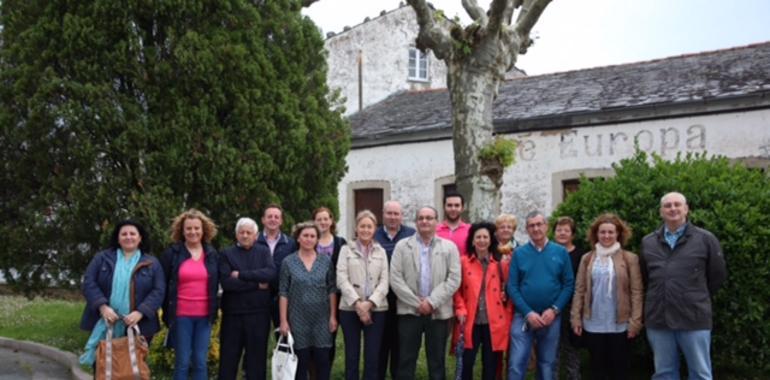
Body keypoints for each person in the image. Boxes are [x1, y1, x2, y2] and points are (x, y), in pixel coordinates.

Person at [641, 192, 726, 380]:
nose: (673, 209)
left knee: (700, 373)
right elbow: (646, 277)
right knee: (664, 373)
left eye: (677, 204)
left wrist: (692, 295)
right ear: (661, 212)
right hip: (658, 317)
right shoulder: (648, 242)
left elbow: (717, 276)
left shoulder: (705, 239)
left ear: (686, 209)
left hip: (693, 317)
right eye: (667, 205)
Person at [79, 220, 165, 366]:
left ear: (140, 238)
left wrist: (140, 312)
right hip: (105, 322)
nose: (128, 237)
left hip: (138, 325)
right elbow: (89, 282)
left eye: (132, 233)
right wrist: (103, 307)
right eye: (124, 234)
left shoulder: (152, 263)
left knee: (131, 369)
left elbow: (159, 290)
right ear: (118, 238)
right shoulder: (102, 258)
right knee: (102, 367)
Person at [390, 206, 461, 380]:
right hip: (409, 311)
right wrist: (417, 303)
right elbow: (395, 278)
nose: (425, 221)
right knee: (406, 359)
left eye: (429, 218)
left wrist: (431, 302)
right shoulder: (402, 246)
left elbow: (454, 279)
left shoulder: (449, 247)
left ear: (436, 222)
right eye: (421, 218)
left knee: (437, 361)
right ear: (416, 222)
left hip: (438, 312)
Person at [570, 213, 643, 379]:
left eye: (611, 232)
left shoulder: (630, 258)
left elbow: (637, 292)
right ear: (596, 234)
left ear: (618, 234)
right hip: (593, 322)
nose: (606, 236)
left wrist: (635, 322)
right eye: (602, 232)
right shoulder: (587, 259)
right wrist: (575, 318)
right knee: (597, 368)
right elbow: (579, 290)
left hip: (620, 324)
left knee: (620, 368)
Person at [506, 211, 574, 380]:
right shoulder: (519, 253)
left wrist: (555, 309)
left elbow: (568, 284)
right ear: (527, 229)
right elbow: (512, 286)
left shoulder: (560, 252)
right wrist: (528, 312)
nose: (536, 228)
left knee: (547, 364)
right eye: (531, 225)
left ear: (546, 226)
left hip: (551, 316)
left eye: (539, 224)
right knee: (516, 363)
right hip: (523, 316)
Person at [160, 209, 219, 380]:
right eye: (189, 228)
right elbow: (162, 284)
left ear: (203, 230)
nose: (193, 232)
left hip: (204, 317)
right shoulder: (173, 253)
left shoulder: (212, 254)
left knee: (200, 362)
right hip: (181, 316)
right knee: (183, 362)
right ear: (182, 230)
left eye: (196, 228)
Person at [452, 222, 513, 380]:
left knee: (491, 365)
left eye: (485, 237)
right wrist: (460, 308)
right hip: (470, 320)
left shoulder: (500, 263)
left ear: (491, 240)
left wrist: (504, 293)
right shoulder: (463, 262)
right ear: (472, 241)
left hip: (493, 321)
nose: (482, 240)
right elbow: (456, 289)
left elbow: (509, 287)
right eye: (478, 237)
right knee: (467, 362)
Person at [219, 218, 277, 380]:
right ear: (236, 235)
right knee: (228, 360)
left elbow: (271, 274)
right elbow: (227, 283)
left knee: (257, 362)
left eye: (248, 233)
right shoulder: (226, 253)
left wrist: (242, 275)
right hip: (233, 315)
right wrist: (257, 285)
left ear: (256, 235)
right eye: (241, 232)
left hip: (259, 314)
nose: (245, 236)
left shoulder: (264, 252)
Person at [279, 222, 338, 380]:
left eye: (313, 236)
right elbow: (283, 292)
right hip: (297, 319)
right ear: (298, 238)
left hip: (322, 320)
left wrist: (333, 316)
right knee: (299, 364)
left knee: (323, 363)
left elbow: (332, 289)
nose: (309, 239)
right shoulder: (288, 262)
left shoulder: (325, 261)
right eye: (305, 235)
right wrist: (283, 320)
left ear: (317, 239)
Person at [337, 210, 390, 380]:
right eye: (362, 226)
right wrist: (358, 304)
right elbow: (341, 279)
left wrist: (370, 303)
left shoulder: (381, 252)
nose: (365, 230)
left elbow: (385, 281)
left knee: (372, 356)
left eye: (369, 226)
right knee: (351, 356)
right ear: (356, 228)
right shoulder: (345, 250)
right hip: (350, 309)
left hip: (377, 309)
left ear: (375, 229)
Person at [373, 200, 415, 380]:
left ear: (402, 216)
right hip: (380, 298)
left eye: (396, 214)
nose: (392, 217)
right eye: (389, 213)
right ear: (383, 214)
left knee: (401, 342)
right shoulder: (374, 235)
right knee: (381, 342)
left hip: (404, 298)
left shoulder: (411, 235)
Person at [313, 206, 347, 365]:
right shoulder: (309, 240)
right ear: (314, 221)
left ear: (331, 221)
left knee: (330, 334)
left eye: (325, 219)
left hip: (336, 296)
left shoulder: (341, 243)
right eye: (319, 219)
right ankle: (311, 371)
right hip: (312, 296)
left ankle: (326, 368)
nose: (322, 222)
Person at [552, 216, 586, 380]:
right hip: (551, 306)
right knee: (552, 347)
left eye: (566, 230)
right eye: (559, 230)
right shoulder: (548, 251)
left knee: (572, 347)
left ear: (572, 234)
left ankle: (574, 376)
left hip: (573, 306)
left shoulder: (581, 255)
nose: (562, 233)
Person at [257, 204, 297, 334]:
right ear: (263, 219)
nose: (273, 219)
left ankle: (284, 355)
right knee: (258, 337)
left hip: (282, 297)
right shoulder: (253, 241)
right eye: (269, 216)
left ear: (281, 221)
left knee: (284, 337)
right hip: (258, 295)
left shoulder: (290, 244)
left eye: (276, 217)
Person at [436, 191, 471, 256]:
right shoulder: (434, 231)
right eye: (449, 205)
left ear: (462, 208)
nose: (453, 209)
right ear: (444, 207)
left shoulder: (470, 230)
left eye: (457, 205)